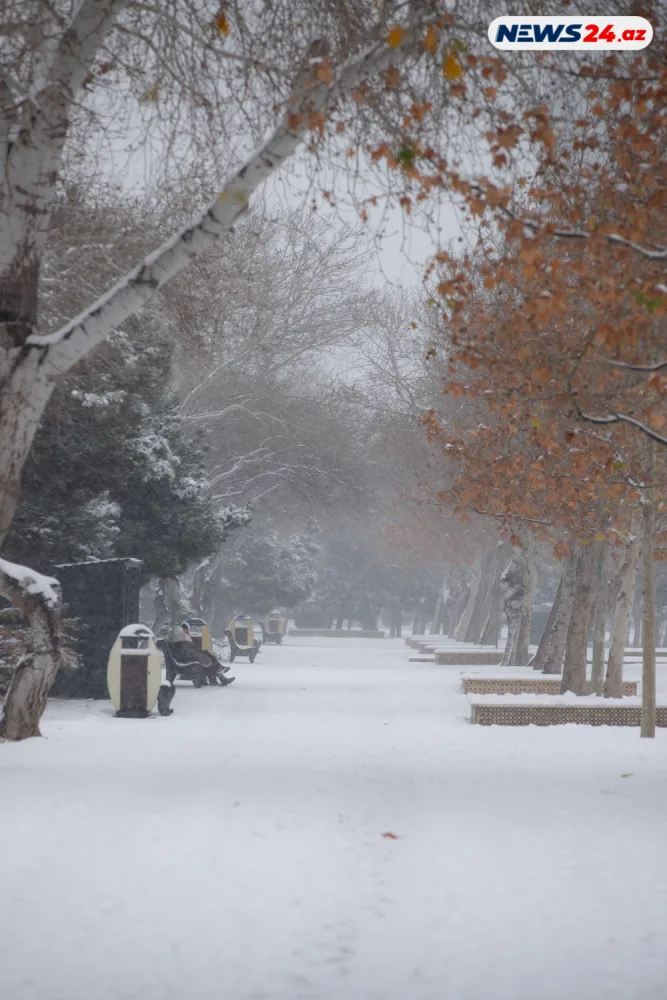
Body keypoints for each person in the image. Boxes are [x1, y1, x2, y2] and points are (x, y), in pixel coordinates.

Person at [169, 623, 235, 687]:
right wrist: (196, 652)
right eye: (184, 629)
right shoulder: (180, 639)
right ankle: (218, 674)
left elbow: (188, 649)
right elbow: (186, 651)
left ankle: (219, 678)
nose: (185, 631)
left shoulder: (181, 638)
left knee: (206, 656)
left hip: (186, 657)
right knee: (206, 658)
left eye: (186, 629)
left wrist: (196, 650)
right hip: (185, 659)